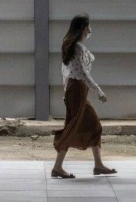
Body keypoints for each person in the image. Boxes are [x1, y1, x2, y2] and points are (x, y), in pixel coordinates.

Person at [51, 13, 116, 179]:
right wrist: (99, 92)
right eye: (88, 26)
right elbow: (83, 74)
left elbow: (65, 71)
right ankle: (57, 167)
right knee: (73, 127)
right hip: (78, 90)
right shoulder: (77, 48)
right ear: (83, 28)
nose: (90, 29)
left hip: (76, 90)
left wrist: (67, 90)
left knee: (94, 126)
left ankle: (98, 165)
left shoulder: (72, 45)